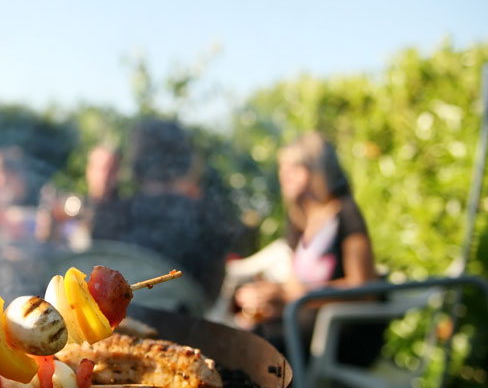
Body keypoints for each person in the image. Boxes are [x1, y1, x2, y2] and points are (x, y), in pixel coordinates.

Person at [232, 132, 381, 362]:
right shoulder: (299, 220)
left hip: (342, 331)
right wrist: (269, 299)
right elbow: (293, 285)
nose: (284, 175)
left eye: (294, 168)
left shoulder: (346, 213)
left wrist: (291, 295)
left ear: (318, 170)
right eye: (282, 168)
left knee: (259, 345)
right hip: (305, 320)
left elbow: (363, 289)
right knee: (242, 329)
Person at [91, 119, 237, 303]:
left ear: (137, 161)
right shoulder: (208, 219)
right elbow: (210, 296)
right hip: (185, 328)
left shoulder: (109, 215)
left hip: (113, 326)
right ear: (185, 160)